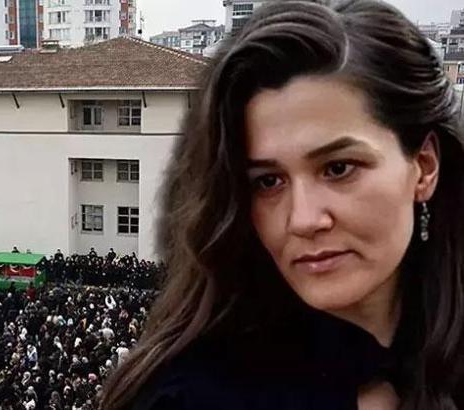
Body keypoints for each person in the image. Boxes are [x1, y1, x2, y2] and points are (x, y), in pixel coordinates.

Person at [102, 1, 464, 409]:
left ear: (424, 167)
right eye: (269, 181)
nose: (303, 219)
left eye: (338, 168)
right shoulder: (190, 397)